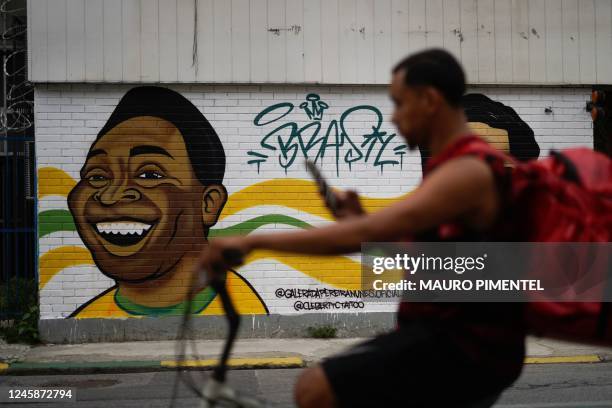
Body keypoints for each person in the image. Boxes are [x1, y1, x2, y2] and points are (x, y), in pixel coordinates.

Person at [198, 49, 526, 407]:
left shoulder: (467, 170)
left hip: (464, 346)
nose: (395, 117)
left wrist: (253, 241)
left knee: (314, 389)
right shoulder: (453, 167)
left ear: (429, 100)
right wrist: (364, 226)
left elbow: (357, 239)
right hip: (454, 340)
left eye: (399, 104)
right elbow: (433, 254)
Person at [68, 86, 267, 318]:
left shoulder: (244, 311)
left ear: (208, 204)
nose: (110, 195)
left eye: (150, 175)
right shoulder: (88, 317)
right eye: (97, 176)